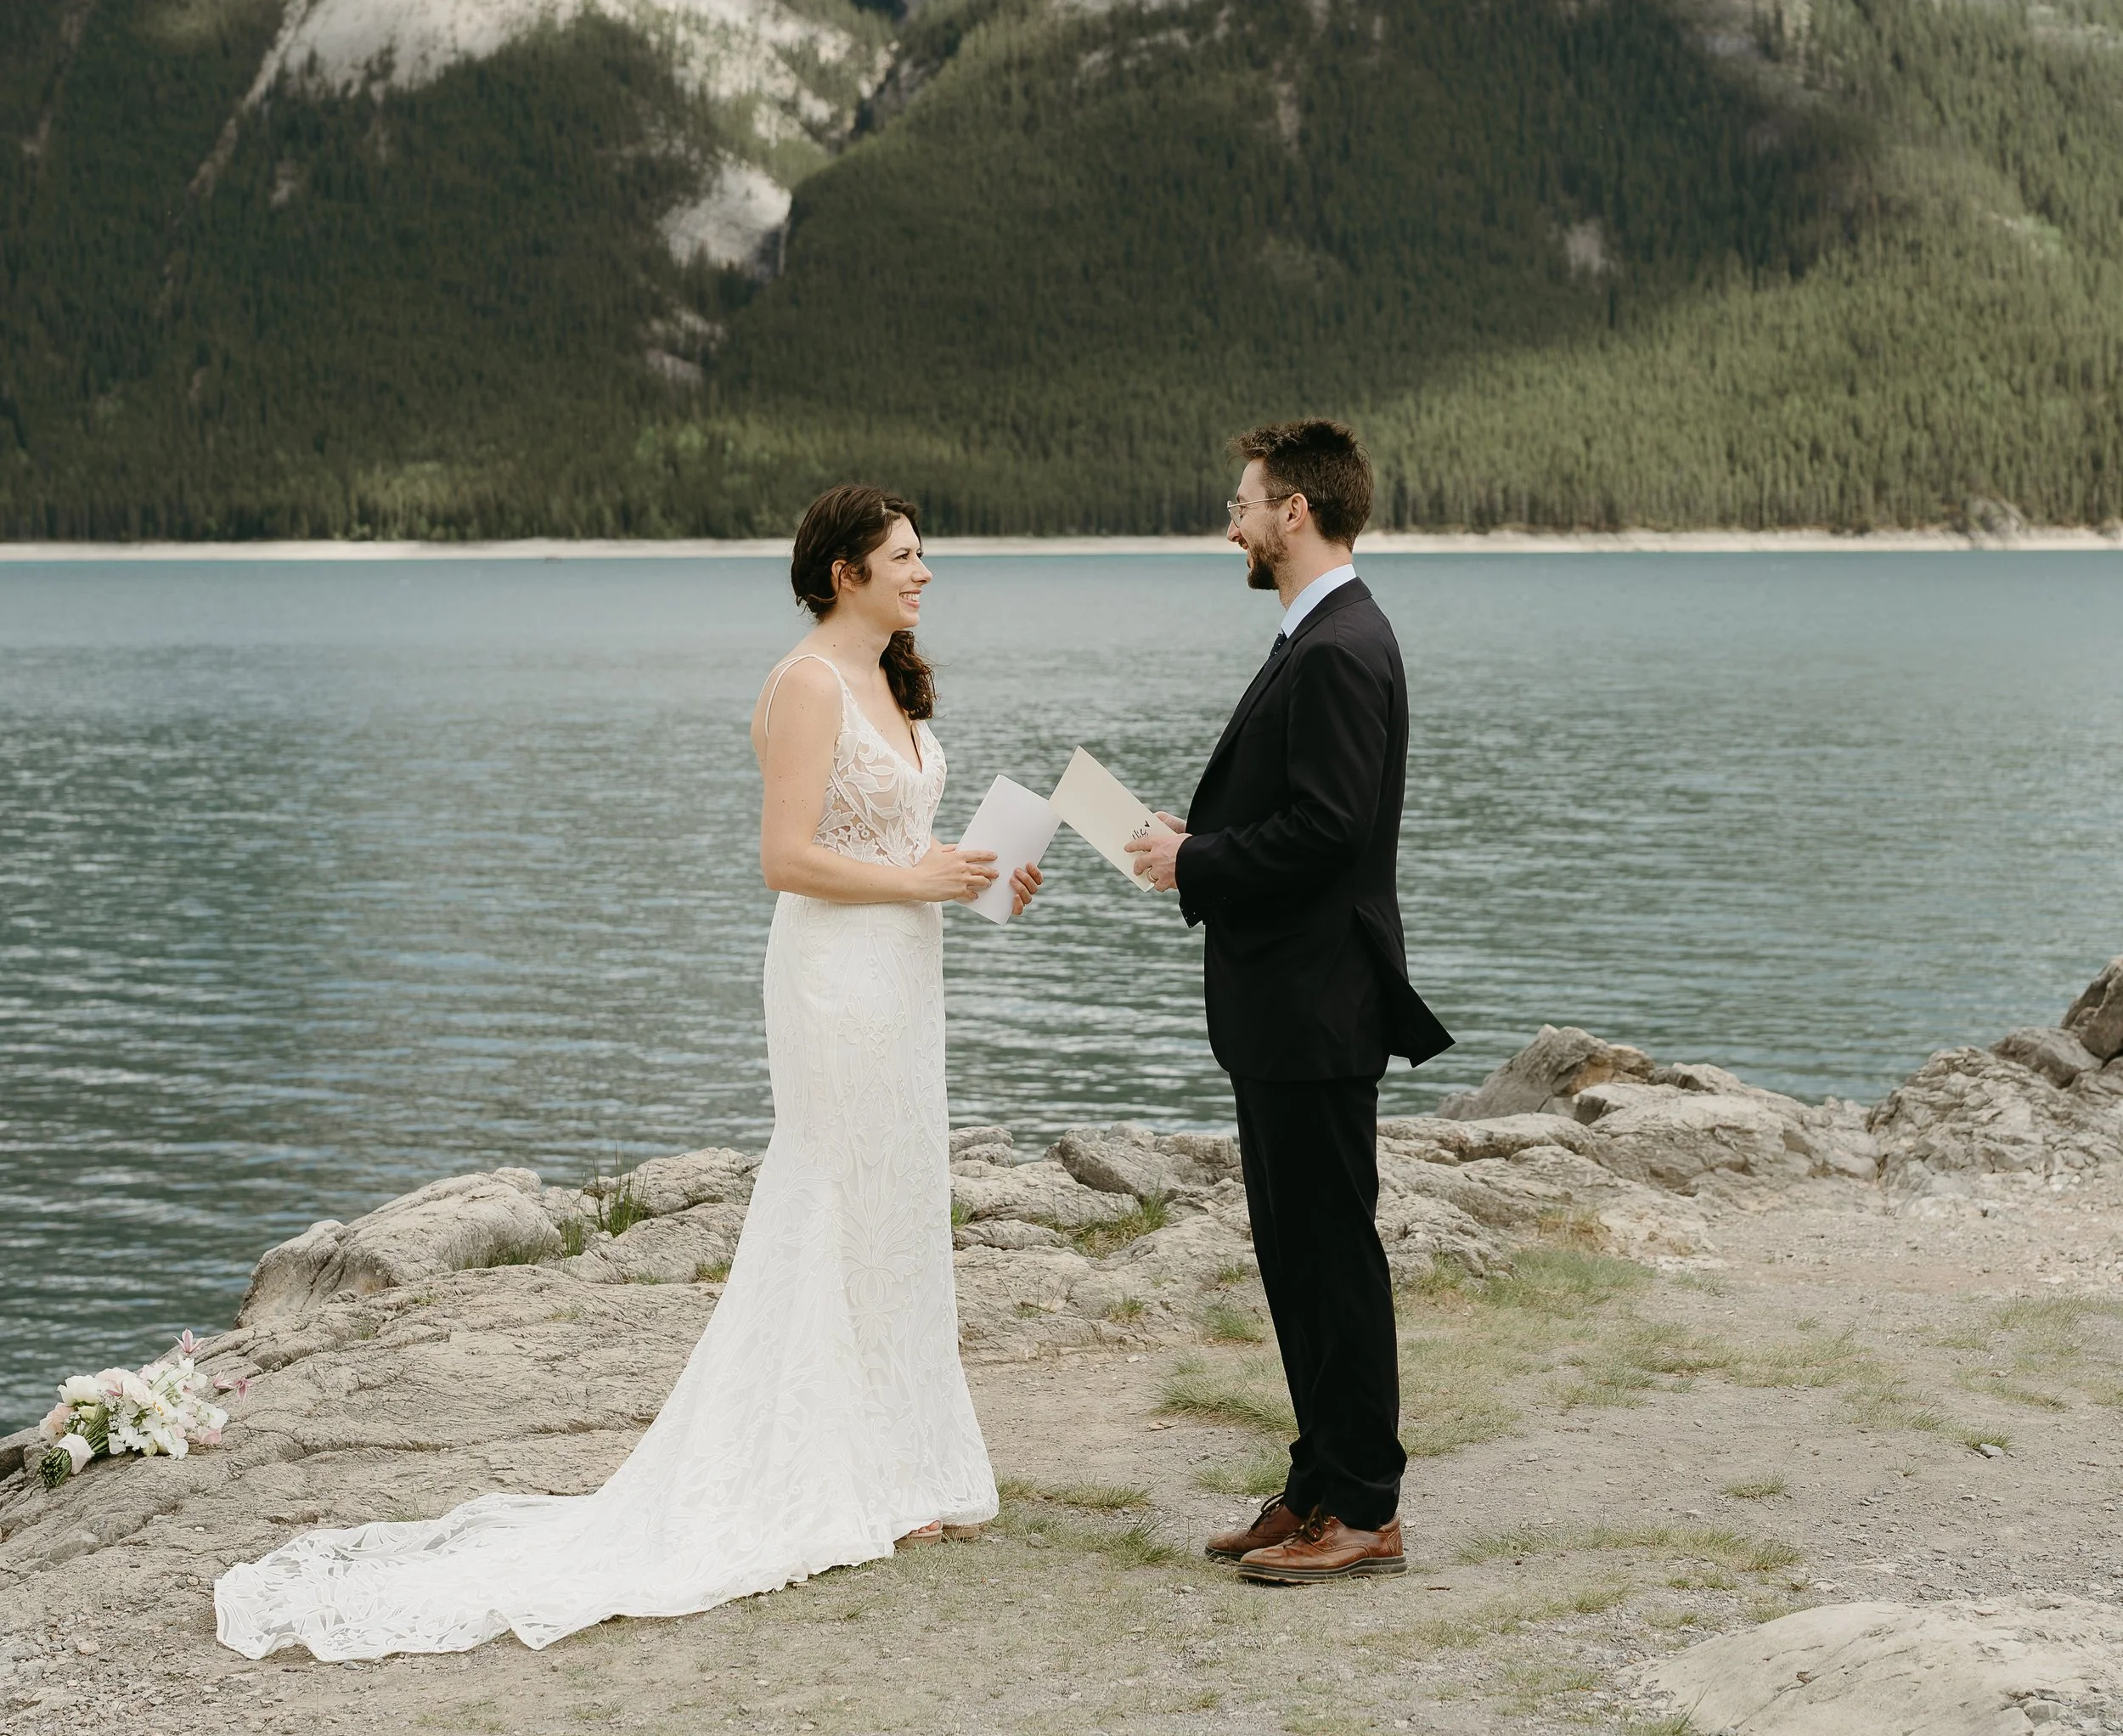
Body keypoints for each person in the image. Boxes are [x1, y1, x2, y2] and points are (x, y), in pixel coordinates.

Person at [213, 486, 1035, 1663]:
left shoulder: (895, 678)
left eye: (923, 555)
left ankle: (908, 1467)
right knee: (833, 1194)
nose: (927, 573)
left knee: (898, 1202)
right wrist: (923, 879)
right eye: (907, 557)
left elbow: (898, 841)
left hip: (907, 973)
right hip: (835, 978)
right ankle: (824, 1474)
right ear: (844, 571)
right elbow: (785, 857)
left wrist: (983, 873)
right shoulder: (805, 683)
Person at [1127, 420, 1450, 1586]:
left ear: (1296, 510)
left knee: (1331, 1254)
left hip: (1318, 1004)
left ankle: (1366, 1505)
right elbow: (1304, 812)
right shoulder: (1317, 637)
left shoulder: (1339, 645)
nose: (1233, 519)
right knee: (1293, 1255)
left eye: (1246, 500)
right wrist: (1196, 839)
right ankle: (1318, 1482)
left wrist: (1192, 864)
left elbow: (1325, 831)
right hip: (1283, 1004)